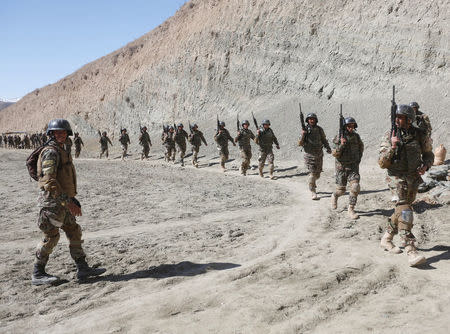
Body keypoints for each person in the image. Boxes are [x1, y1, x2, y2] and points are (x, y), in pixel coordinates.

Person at [32, 119, 106, 285]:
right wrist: (68, 201)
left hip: (63, 203)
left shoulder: (63, 150)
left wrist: (72, 199)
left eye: (63, 132)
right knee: (51, 237)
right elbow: (50, 182)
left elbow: (63, 179)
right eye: (57, 132)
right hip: (52, 204)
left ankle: (82, 268)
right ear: (51, 134)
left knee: (74, 231)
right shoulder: (51, 152)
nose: (61, 135)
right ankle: (38, 272)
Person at [378, 104, 433, 267]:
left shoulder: (419, 134)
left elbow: (429, 154)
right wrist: (392, 147)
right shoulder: (390, 135)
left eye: (401, 117)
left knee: (402, 210)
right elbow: (381, 163)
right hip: (396, 178)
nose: (397, 120)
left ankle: (387, 238)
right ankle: (411, 250)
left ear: (409, 120)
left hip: (413, 178)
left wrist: (426, 165)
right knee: (405, 211)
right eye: (396, 117)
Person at [331, 117, 364, 219]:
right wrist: (341, 144)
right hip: (341, 168)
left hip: (353, 167)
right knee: (341, 191)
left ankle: (351, 209)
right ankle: (334, 196)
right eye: (349, 126)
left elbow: (361, 148)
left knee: (355, 187)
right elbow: (334, 153)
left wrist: (358, 160)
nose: (351, 128)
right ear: (345, 126)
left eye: (352, 126)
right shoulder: (338, 137)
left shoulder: (356, 137)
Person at [298, 113, 332, 199]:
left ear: (316, 120)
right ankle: (313, 190)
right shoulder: (305, 130)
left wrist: (328, 148)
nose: (312, 120)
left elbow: (324, 140)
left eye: (313, 119)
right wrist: (303, 134)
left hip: (319, 155)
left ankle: (312, 182)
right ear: (307, 120)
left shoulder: (320, 129)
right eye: (310, 119)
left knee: (318, 175)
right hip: (309, 155)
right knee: (312, 174)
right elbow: (300, 143)